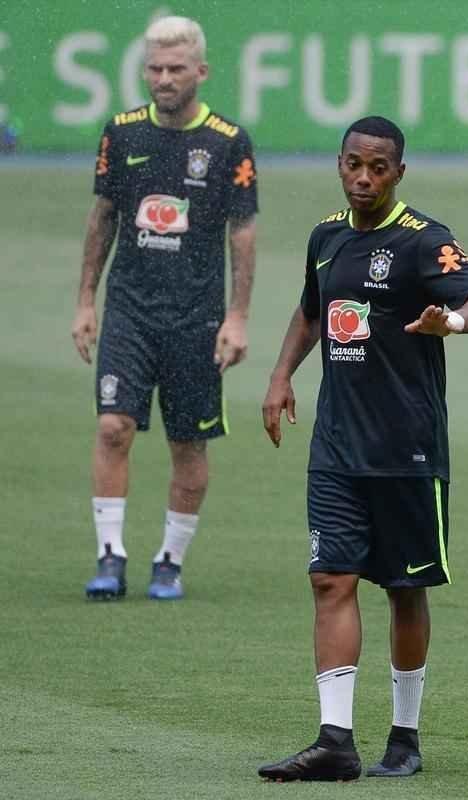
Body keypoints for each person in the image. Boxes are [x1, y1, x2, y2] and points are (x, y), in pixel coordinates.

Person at [259, 116, 468, 781]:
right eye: (353, 164)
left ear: (399, 172)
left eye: (378, 168)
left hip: (407, 449)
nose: (363, 178)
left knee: (403, 590)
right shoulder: (327, 236)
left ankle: (404, 734)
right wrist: (282, 373)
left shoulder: (426, 242)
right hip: (338, 445)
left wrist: (449, 319)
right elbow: (313, 309)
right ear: (340, 164)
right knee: (329, 577)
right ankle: (335, 742)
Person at [71, 16, 258, 601]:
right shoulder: (121, 134)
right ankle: (109, 554)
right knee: (113, 426)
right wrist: (85, 301)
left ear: (200, 71)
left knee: (188, 443)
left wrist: (237, 316)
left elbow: (243, 232)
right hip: (129, 309)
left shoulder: (228, 141)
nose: (164, 78)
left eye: (176, 68)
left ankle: (169, 561)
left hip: (197, 318)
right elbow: (103, 217)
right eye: (155, 67)